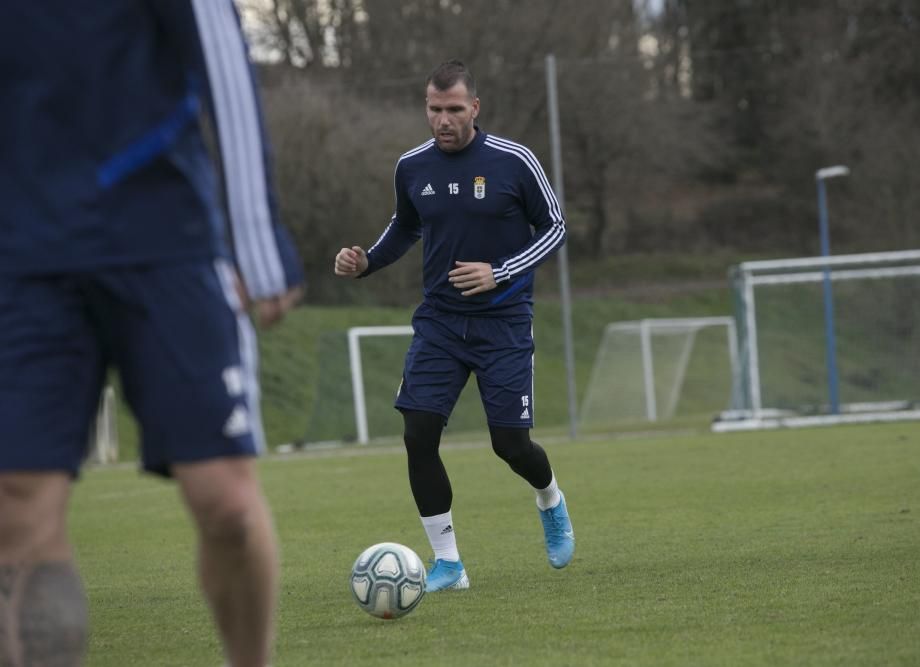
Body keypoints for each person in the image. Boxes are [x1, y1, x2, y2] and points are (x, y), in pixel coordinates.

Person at [0, 3, 304, 666]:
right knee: (16, 509)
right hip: (26, 251)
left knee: (225, 501)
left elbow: (221, 46)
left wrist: (255, 237)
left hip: (166, 237)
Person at [334, 59, 575, 592]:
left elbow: (555, 226)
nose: (443, 120)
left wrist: (501, 272)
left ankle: (550, 499)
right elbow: (405, 226)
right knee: (418, 434)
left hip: (505, 323)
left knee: (511, 445)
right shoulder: (411, 166)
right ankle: (448, 563)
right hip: (440, 323)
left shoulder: (515, 161)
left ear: (475, 108)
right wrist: (367, 261)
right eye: (434, 109)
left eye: (454, 109)